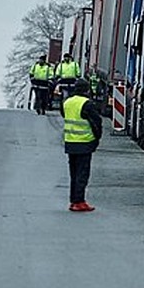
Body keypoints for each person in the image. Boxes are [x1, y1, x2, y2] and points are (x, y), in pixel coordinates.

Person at [61, 78, 102, 212]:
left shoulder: (67, 102)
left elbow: (64, 115)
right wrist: (96, 139)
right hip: (84, 143)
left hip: (70, 142)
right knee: (82, 174)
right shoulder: (87, 104)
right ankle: (79, 201)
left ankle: (73, 200)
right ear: (86, 89)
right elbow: (96, 123)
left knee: (74, 174)